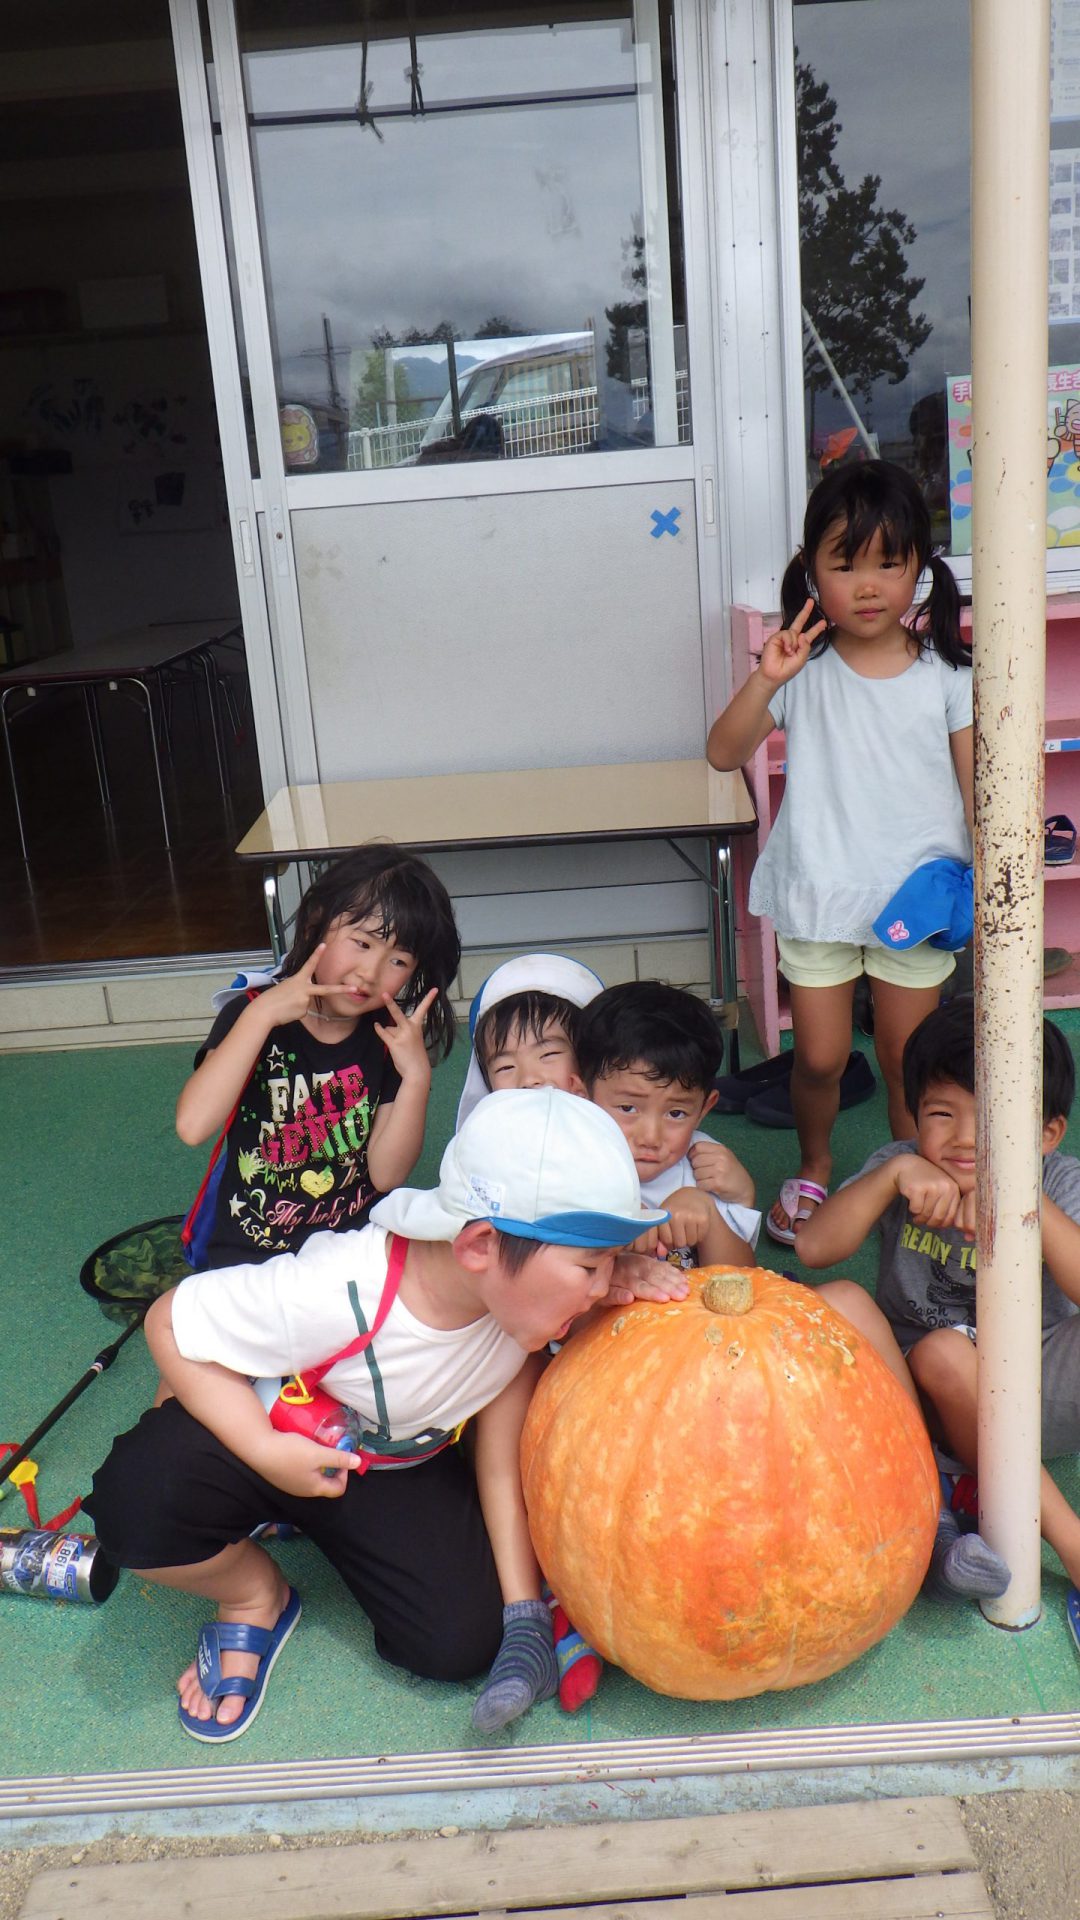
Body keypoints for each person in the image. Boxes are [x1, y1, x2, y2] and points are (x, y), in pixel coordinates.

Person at [84, 1088, 672, 1743]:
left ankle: (300, 1523)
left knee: (458, 1643)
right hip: (274, 1433)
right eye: (590, 1265)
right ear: (479, 1245)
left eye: (612, 1261)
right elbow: (170, 1320)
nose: (606, 1286)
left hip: (390, 1464)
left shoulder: (518, 1313)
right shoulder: (337, 1288)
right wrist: (263, 1450)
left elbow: (501, 1465)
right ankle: (252, 1594)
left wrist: (522, 1615)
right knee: (137, 1506)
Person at [707, 459, 973, 1248]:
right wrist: (766, 679)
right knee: (819, 1059)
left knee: (903, 1060)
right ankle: (816, 1164)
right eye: (845, 563)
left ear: (920, 566)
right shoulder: (800, 670)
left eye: (889, 562)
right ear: (811, 570)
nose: (868, 585)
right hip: (819, 895)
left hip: (916, 902)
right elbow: (723, 753)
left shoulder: (948, 675)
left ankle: (909, 1178)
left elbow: (979, 790)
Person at [796, 995, 1080, 1605]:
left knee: (955, 1350)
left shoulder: (1058, 1180)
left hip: (1036, 1390)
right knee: (843, 1301)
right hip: (918, 1396)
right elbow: (814, 1248)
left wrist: (1023, 1201)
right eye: (942, 1113)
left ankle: (979, 1511)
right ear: (914, 1115)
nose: (965, 1138)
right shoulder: (902, 1166)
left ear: (1047, 1134)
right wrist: (889, 1179)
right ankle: (951, 1504)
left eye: (994, 1117)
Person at [176, 846, 461, 1268]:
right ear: (317, 923)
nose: (370, 972)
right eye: (362, 942)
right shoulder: (252, 1012)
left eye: (398, 960)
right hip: (246, 1252)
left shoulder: (389, 1037)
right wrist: (261, 1015)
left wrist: (417, 1077)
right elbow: (193, 1126)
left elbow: (386, 1175)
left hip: (352, 1250)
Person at [575, 980, 761, 1264]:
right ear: (582, 1097)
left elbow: (744, 1276)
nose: (651, 1137)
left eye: (676, 1114)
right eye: (628, 1108)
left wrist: (709, 1215)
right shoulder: (564, 1170)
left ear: (704, 1109)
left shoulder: (707, 1168)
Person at [456, 952, 603, 1126]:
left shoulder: (618, 1135)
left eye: (548, 1054)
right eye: (505, 1067)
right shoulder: (483, 1141)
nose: (528, 1079)